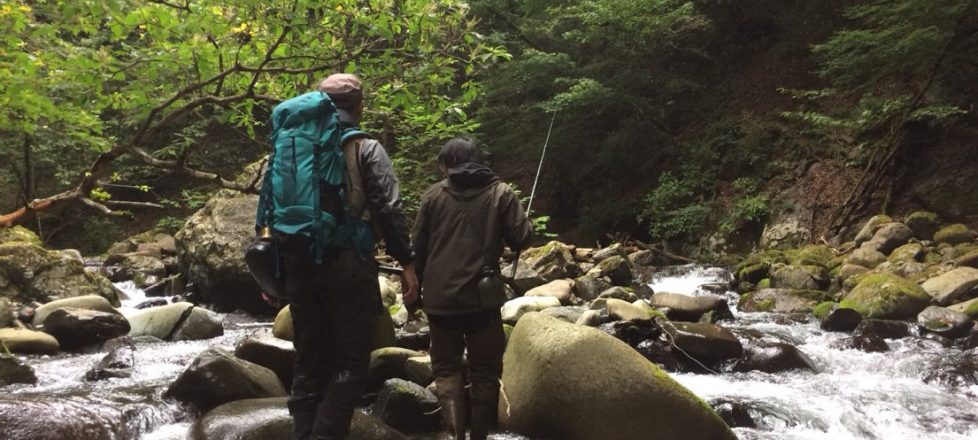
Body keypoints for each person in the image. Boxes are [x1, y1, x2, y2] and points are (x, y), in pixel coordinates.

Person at [279, 73, 419, 440]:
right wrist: (406, 263)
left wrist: (277, 268)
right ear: (359, 106)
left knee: (308, 363)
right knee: (350, 365)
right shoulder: (364, 147)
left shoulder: (290, 147)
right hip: (348, 267)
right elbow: (388, 209)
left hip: (299, 266)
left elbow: (273, 212)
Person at [410, 137, 532, 440]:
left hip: (440, 299)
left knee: (447, 370)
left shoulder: (432, 196)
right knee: (485, 372)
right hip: (483, 299)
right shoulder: (501, 193)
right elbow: (523, 238)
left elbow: (416, 249)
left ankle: (454, 436)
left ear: (447, 164)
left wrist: (414, 290)